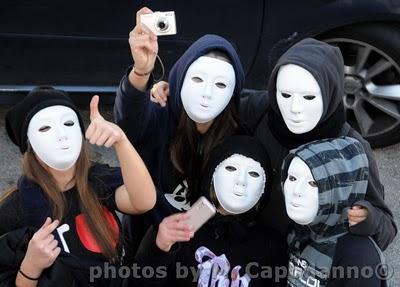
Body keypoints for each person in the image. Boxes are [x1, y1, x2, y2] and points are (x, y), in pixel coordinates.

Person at [114, 7, 248, 256]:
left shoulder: (238, 137)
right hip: (147, 245)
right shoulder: (161, 115)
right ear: (181, 79)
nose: (207, 93)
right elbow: (129, 124)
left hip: (204, 256)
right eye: (197, 80)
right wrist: (141, 72)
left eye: (220, 84)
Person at [0, 87, 156, 286]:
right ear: (29, 146)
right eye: (45, 128)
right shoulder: (15, 210)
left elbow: (144, 201)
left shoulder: (97, 182)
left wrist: (121, 142)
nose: (61, 135)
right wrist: (31, 265)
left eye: (68, 123)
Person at [258, 38, 396, 250]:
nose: (295, 107)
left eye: (309, 97)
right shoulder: (261, 115)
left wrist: (368, 218)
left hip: (309, 266)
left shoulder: (352, 148)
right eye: (285, 94)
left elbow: (386, 227)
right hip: (257, 254)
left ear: (330, 92)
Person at [133, 135, 288, 287]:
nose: (241, 181)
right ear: (212, 175)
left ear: (264, 188)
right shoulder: (183, 225)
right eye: (231, 168)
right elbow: (141, 280)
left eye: (253, 174)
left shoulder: (271, 244)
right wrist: (159, 249)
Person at [282, 137, 386, 286]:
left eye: (313, 183)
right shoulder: (299, 230)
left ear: (340, 190)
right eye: (292, 178)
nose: (296, 191)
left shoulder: (359, 258)